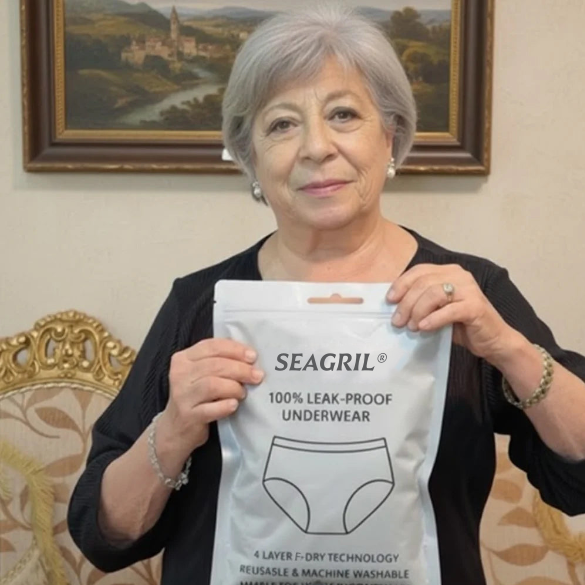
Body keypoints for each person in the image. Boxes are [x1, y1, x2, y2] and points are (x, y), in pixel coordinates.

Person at [67, 4, 585, 584]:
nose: (316, 146)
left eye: (343, 114)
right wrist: (172, 430)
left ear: (390, 135)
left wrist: (508, 349)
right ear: (250, 158)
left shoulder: (469, 293)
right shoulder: (200, 304)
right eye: (281, 125)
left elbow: (579, 477)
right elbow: (102, 533)